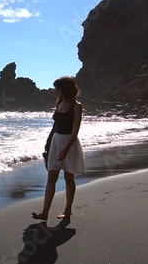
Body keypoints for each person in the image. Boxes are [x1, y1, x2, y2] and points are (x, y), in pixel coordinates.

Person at [32, 76, 85, 220]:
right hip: (56, 142)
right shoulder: (59, 103)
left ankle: (67, 210)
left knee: (69, 178)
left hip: (70, 143)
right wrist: (48, 146)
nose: (55, 92)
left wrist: (66, 150)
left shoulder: (77, 106)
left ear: (64, 90)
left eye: (57, 89)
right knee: (51, 178)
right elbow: (54, 127)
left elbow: (75, 131)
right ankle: (44, 213)